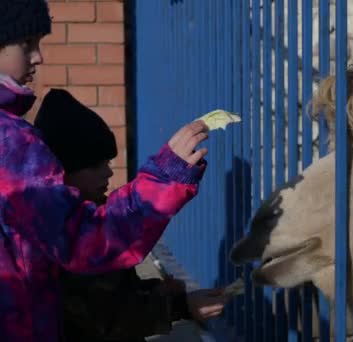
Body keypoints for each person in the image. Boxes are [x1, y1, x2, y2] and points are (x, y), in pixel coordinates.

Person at [0, 1, 211, 341]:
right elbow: (86, 241)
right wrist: (166, 176)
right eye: (27, 43)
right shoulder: (9, 143)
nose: (39, 57)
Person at [34, 89, 227, 342]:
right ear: (61, 172)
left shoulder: (87, 215)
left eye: (108, 163)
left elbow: (112, 290)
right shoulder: (63, 235)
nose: (108, 173)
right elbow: (103, 316)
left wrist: (159, 293)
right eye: (94, 166)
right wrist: (180, 307)